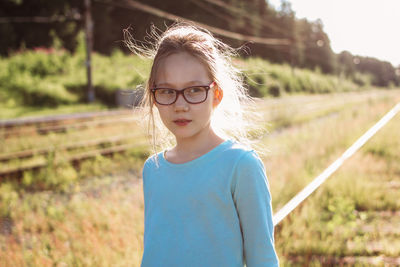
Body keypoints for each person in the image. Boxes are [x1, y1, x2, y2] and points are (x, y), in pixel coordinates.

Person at [126, 23, 279, 267]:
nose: (180, 105)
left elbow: (263, 259)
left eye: (194, 90)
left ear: (216, 95)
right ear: (154, 97)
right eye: (167, 91)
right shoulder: (152, 169)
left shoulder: (240, 166)